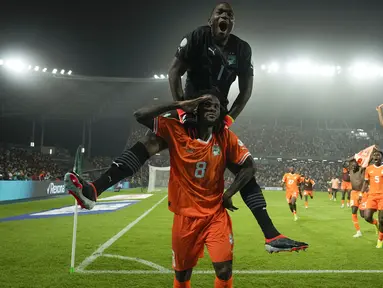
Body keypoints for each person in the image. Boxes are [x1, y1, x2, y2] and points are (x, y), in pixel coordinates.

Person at [64, 2, 308, 253]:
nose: (225, 16)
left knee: (244, 167)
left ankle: (271, 235)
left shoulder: (242, 49)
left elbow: (245, 91)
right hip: (191, 105)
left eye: (229, 15)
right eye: (220, 13)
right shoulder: (196, 37)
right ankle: (94, 190)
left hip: (216, 111)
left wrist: (228, 119)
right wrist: (182, 109)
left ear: (232, 23)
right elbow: (173, 72)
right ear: (211, 19)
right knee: (152, 140)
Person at [134, 92, 259, 288]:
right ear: (196, 109)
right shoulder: (177, 131)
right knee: (182, 276)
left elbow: (249, 166)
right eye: (206, 105)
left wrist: (228, 193)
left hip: (215, 216)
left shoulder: (225, 137)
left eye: (216, 107)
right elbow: (140, 115)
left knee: (225, 271)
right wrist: (179, 104)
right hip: (185, 217)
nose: (212, 109)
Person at [361, 149, 383, 248]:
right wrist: (361, 193)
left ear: (381, 157)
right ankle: (375, 223)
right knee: (367, 217)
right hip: (372, 196)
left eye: (378, 155)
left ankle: (380, 239)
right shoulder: (369, 169)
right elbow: (366, 182)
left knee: (382, 219)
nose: (375, 157)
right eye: (374, 155)